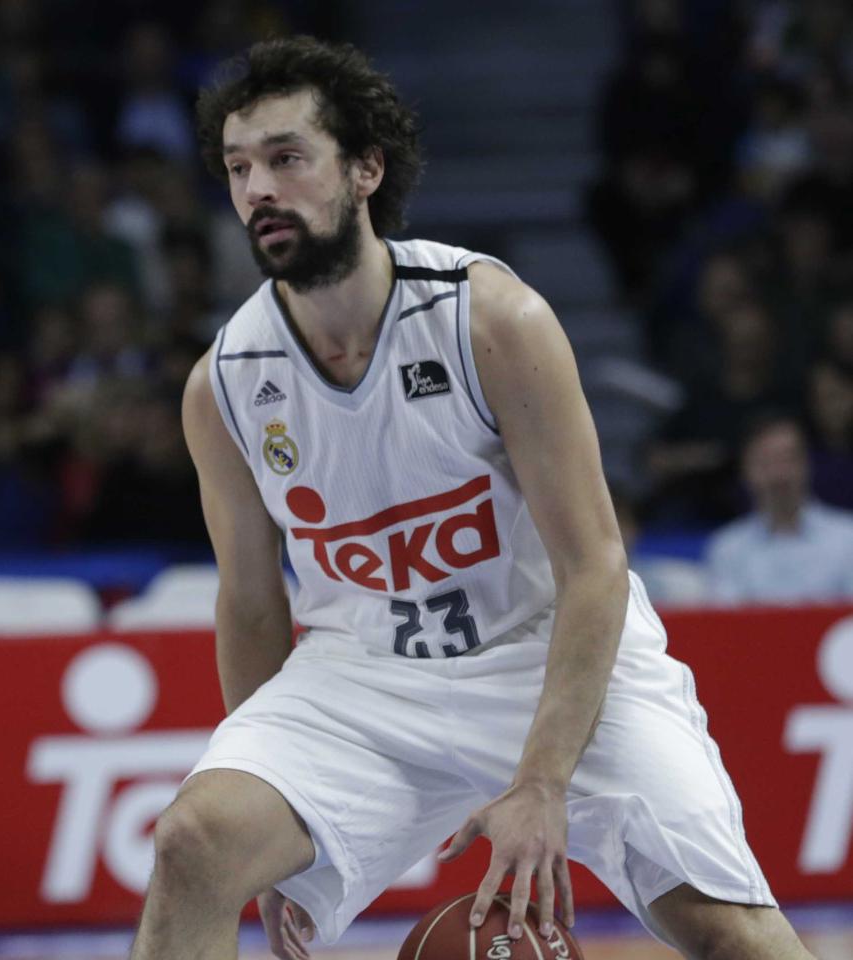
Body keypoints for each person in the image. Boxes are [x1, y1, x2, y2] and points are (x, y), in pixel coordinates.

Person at [134, 37, 812, 960]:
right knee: (193, 845)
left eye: (287, 158)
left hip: (546, 650)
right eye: (239, 167)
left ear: (365, 168)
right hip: (364, 676)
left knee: (731, 934)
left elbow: (595, 566)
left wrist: (542, 782)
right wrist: (268, 854)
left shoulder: (490, 318)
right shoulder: (224, 385)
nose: (258, 188)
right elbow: (252, 602)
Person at [705, 413, 853, 604]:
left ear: (807, 464)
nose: (779, 474)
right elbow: (726, 624)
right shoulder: (727, 548)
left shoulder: (848, 538)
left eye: (788, 459)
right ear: (747, 470)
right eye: (766, 462)